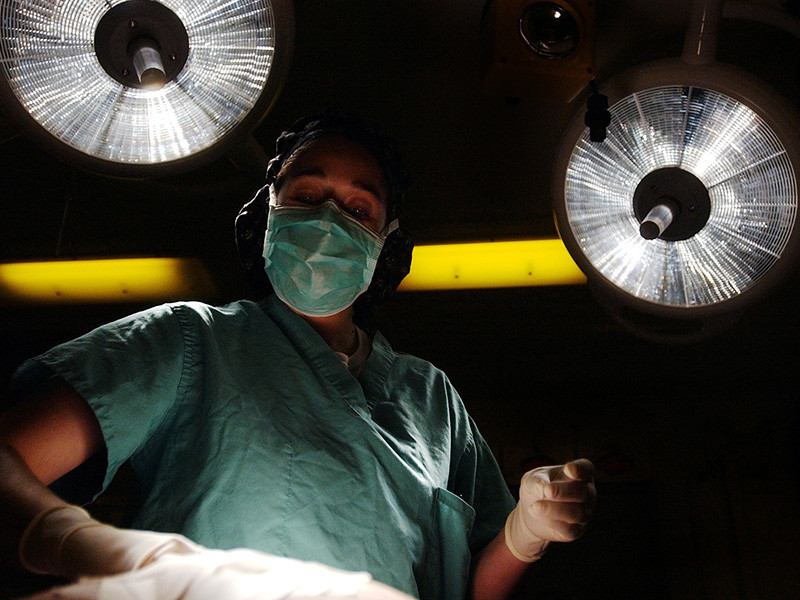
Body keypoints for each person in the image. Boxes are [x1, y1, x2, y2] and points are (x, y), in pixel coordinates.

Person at [0, 110, 597, 600]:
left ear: (384, 244)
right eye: (307, 195)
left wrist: (524, 533)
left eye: (358, 210)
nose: (328, 220)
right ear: (268, 215)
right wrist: (79, 543)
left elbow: (469, 588)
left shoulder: (432, 398)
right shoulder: (191, 341)